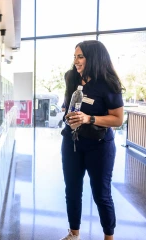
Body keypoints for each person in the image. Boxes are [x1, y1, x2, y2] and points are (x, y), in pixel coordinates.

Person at [60, 40, 124, 240]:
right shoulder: (72, 77)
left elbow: (118, 119)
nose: (76, 61)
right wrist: (68, 116)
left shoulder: (108, 83)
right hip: (72, 142)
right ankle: (74, 233)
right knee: (72, 190)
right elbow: (66, 105)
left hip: (99, 146)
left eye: (80, 56)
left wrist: (89, 118)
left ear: (93, 58)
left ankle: (109, 236)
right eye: (75, 56)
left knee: (101, 194)